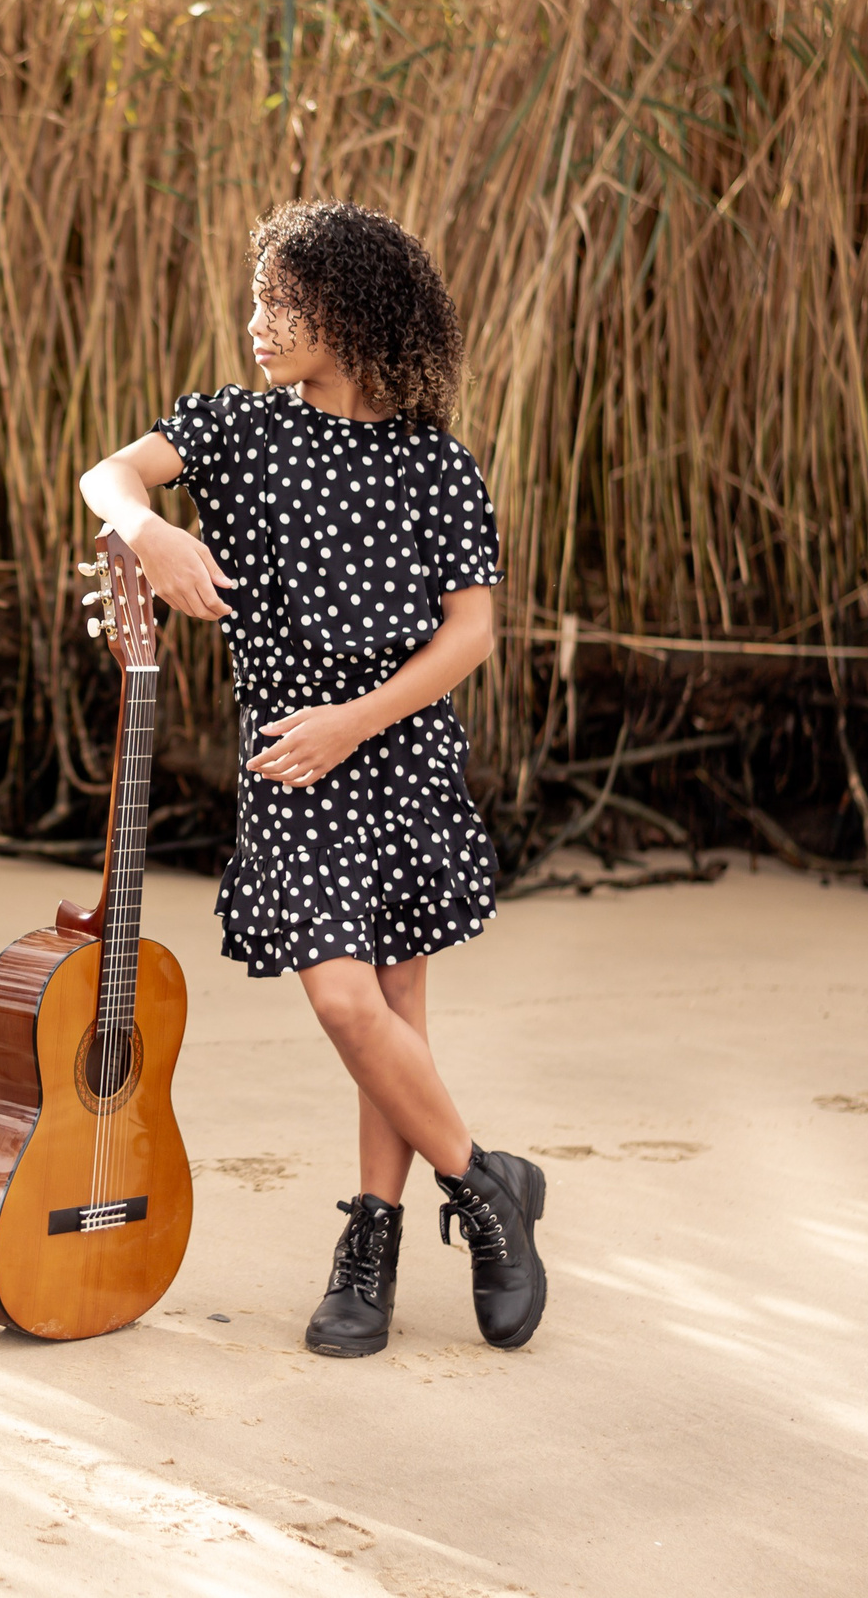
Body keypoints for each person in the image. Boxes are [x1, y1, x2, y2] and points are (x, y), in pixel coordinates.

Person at [77, 201, 545, 1359]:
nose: (256, 323)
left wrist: (358, 719)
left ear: (346, 312)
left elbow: (471, 631)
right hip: (293, 761)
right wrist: (149, 530)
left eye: (279, 304)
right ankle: (488, 1190)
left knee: (390, 1015)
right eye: (256, 301)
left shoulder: (435, 463)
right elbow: (105, 474)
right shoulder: (236, 431)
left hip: (396, 751)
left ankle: (372, 1244)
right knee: (346, 1004)